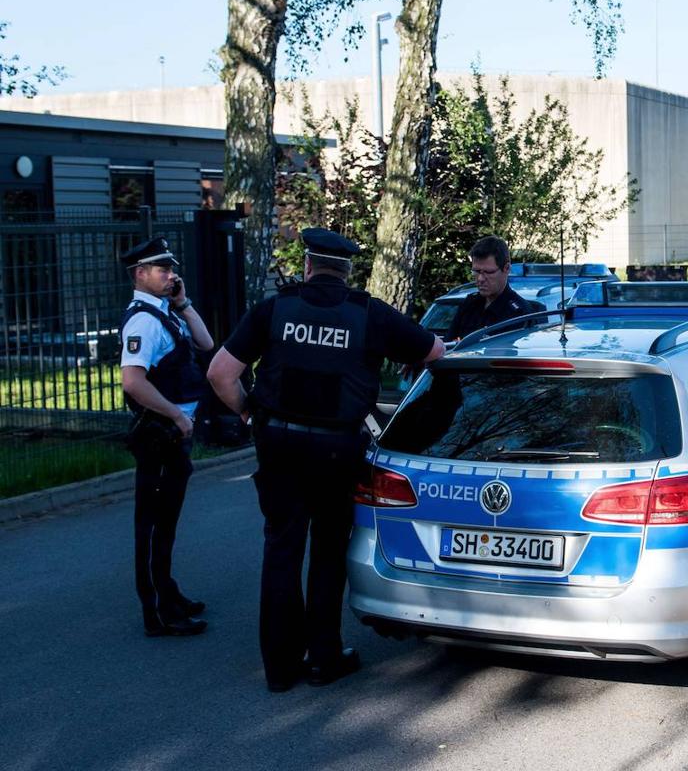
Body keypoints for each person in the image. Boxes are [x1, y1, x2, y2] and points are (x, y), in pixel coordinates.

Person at [206, 228, 444, 693]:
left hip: (278, 443)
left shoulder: (274, 309)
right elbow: (434, 352)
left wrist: (248, 410)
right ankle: (323, 658)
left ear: (308, 266)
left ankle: (278, 669)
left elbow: (221, 373)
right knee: (329, 551)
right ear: (347, 271)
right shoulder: (368, 314)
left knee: (281, 550)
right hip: (338, 450)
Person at [118, 236, 214, 638]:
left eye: (172, 268)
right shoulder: (142, 320)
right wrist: (176, 415)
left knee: (166, 524)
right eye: (163, 269)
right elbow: (132, 382)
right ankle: (157, 611)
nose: (171, 274)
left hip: (174, 435)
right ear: (141, 274)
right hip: (160, 434)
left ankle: (167, 592)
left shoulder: (165, 312)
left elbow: (208, 345)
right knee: (154, 525)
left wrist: (184, 303)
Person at [444, 235, 541, 342]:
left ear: (506, 268)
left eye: (488, 272)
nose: (480, 278)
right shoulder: (469, 304)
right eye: (476, 271)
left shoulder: (520, 314)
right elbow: (448, 344)